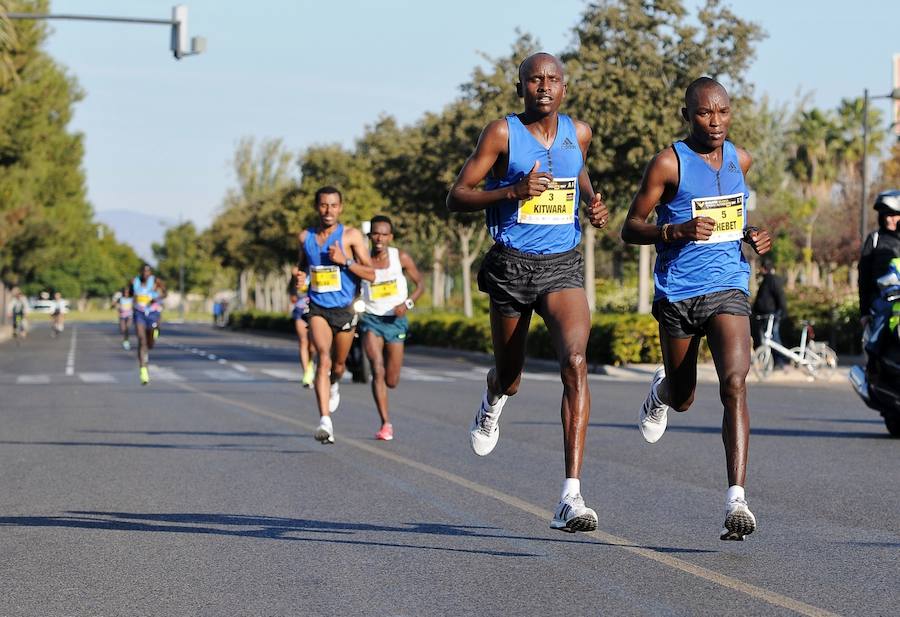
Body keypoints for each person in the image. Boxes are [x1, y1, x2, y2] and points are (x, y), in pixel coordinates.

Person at [446, 52, 609, 533]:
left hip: (562, 264)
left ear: (564, 87)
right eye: (534, 79)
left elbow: (577, 178)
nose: (544, 86)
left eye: (552, 79)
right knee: (512, 376)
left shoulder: (578, 133)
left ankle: (570, 496)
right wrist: (512, 192)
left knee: (575, 362)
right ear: (521, 87)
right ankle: (493, 397)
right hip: (512, 265)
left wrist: (592, 206)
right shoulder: (502, 133)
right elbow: (456, 196)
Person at [621, 77, 772, 541]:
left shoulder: (740, 160)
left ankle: (736, 499)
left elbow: (735, 216)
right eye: (706, 113)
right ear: (688, 114)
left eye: (723, 112)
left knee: (735, 383)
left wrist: (753, 235)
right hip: (678, 292)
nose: (716, 121)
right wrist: (675, 232)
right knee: (685, 396)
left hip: (728, 286)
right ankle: (662, 392)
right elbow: (631, 227)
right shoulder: (669, 163)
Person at [297, 186, 375, 444]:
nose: (328, 210)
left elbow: (371, 273)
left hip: (344, 309)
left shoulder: (351, 236)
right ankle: (325, 421)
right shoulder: (305, 237)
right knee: (323, 358)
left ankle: (334, 383)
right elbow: (301, 270)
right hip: (318, 307)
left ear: (340, 208)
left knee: (339, 365)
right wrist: (298, 278)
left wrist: (345, 261)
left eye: (333, 205)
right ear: (316, 207)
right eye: (323, 205)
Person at [358, 215, 424, 441]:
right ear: (369, 236)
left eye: (384, 234)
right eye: (376, 233)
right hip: (371, 319)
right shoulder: (362, 258)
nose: (379, 238)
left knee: (391, 380)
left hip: (395, 321)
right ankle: (385, 424)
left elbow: (420, 284)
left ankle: (387, 373)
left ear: (390, 237)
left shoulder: (401, 257)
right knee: (377, 368)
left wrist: (407, 303)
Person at [859, 189, 900, 352]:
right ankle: (873, 370)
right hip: (882, 302)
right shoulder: (874, 239)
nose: (889, 219)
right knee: (876, 342)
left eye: (894, 214)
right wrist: (863, 312)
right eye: (885, 215)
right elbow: (864, 278)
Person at [132, 264, 167, 385]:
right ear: (140, 272)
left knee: (150, 343)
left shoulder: (155, 281)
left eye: (148, 271)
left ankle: (155, 332)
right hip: (139, 314)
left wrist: (155, 298)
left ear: (150, 273)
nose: (145, 273)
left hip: (152, 313)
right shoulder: (135, 281)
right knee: (141, 341)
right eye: (144, 271)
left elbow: (164, 293)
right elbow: (127, 293)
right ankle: (143, 370)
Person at [751, 257, 788, 367]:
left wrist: (782, 311)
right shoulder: (766, 280)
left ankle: (780, 362)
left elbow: (780, 296)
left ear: (764, 268)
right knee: (768, 339)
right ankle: (773, 361)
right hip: (764, 315)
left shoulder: (772, 280)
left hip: (771, 315)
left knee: (774, 338)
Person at [289, 265, 315, 388]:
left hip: (316, 311)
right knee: (303, 342)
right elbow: (292, 297)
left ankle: (311, 365)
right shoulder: (298, 274)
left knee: (313, 346)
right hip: (300, 311)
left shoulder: (318, 270)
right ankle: (307, 373)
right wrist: (295, 278)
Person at [115, 286, 134, 350]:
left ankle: (126, 341)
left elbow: (134, 306)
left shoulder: (131, 299)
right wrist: (119, 308)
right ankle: (125, 339)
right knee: (123, 330)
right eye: (125, 292)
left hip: (129, 316)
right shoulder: (120, 299)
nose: (126, 294)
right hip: (122, 316)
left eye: (127, 292)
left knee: (127, 328)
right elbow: (116, 305)